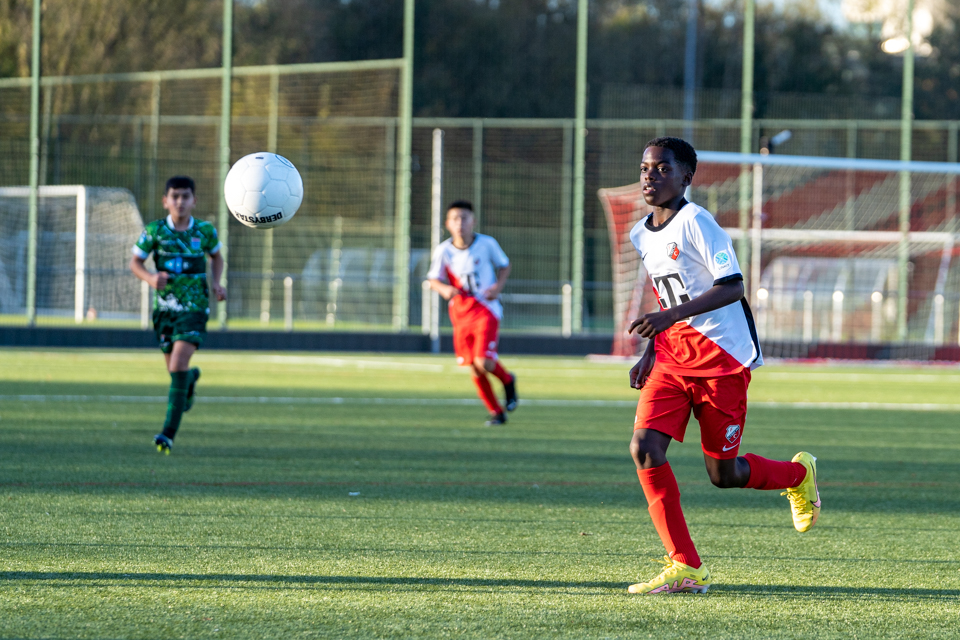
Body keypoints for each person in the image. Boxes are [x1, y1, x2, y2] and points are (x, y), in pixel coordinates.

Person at [625, 137, 820, 594]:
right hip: (672, 360)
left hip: (721, 361)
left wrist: (670, 316)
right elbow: (666, 294)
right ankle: (686, 564)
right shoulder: (640, 233)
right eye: (645, 168)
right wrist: (650, 351)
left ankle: (799, 475)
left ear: (686, 177)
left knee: (723, 475)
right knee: (643, 448)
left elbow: (732, 285)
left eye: (662, 169)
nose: (650, 176)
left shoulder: (698, 222)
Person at [130, 176, 226, 454]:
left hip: (194, 310)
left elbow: (217, 257)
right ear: (165, 200)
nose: (180, 201)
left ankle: (167, 435)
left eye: (186, 196)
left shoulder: (205, 231)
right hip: (165, 311)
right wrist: (150, 278)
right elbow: (135, 261)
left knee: (177, 365)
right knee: (176, 372)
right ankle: (190, 379)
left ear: (194, 200)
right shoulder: (155, 231)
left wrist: (217, 283)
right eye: (175, 196)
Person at [427, 200, 517, 426]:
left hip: (486, 309)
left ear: (472, 221)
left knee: (484, 362)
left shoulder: (487, 244)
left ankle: (507, 380)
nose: (460, 223)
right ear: (448, 224)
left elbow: (504, 265)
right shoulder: (444, 250)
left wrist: (497, 287)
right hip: (460, 313)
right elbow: (432, 279)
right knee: (475, 368)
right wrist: (444, 288)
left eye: (464, 218)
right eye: (455, 219)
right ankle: (496, 412)